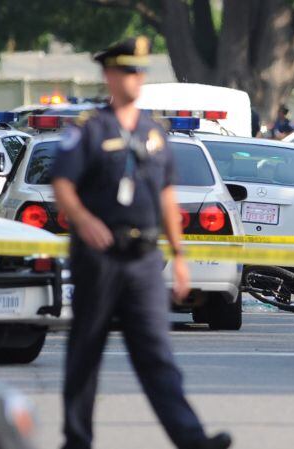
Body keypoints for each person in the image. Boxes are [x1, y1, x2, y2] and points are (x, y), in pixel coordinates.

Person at [51, 37, 232, 449]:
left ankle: (192, 439)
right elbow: (62, 183)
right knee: (85, 352)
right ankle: (76, 440)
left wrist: (180, 257)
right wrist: (83, 220)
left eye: (140, 71)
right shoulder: (88, 130)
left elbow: (167, 197)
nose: (136, 78)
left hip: (144, 260)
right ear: (109, 75)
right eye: (128, 70)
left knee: (157, 354)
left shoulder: (155, 132)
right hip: (99, 258)